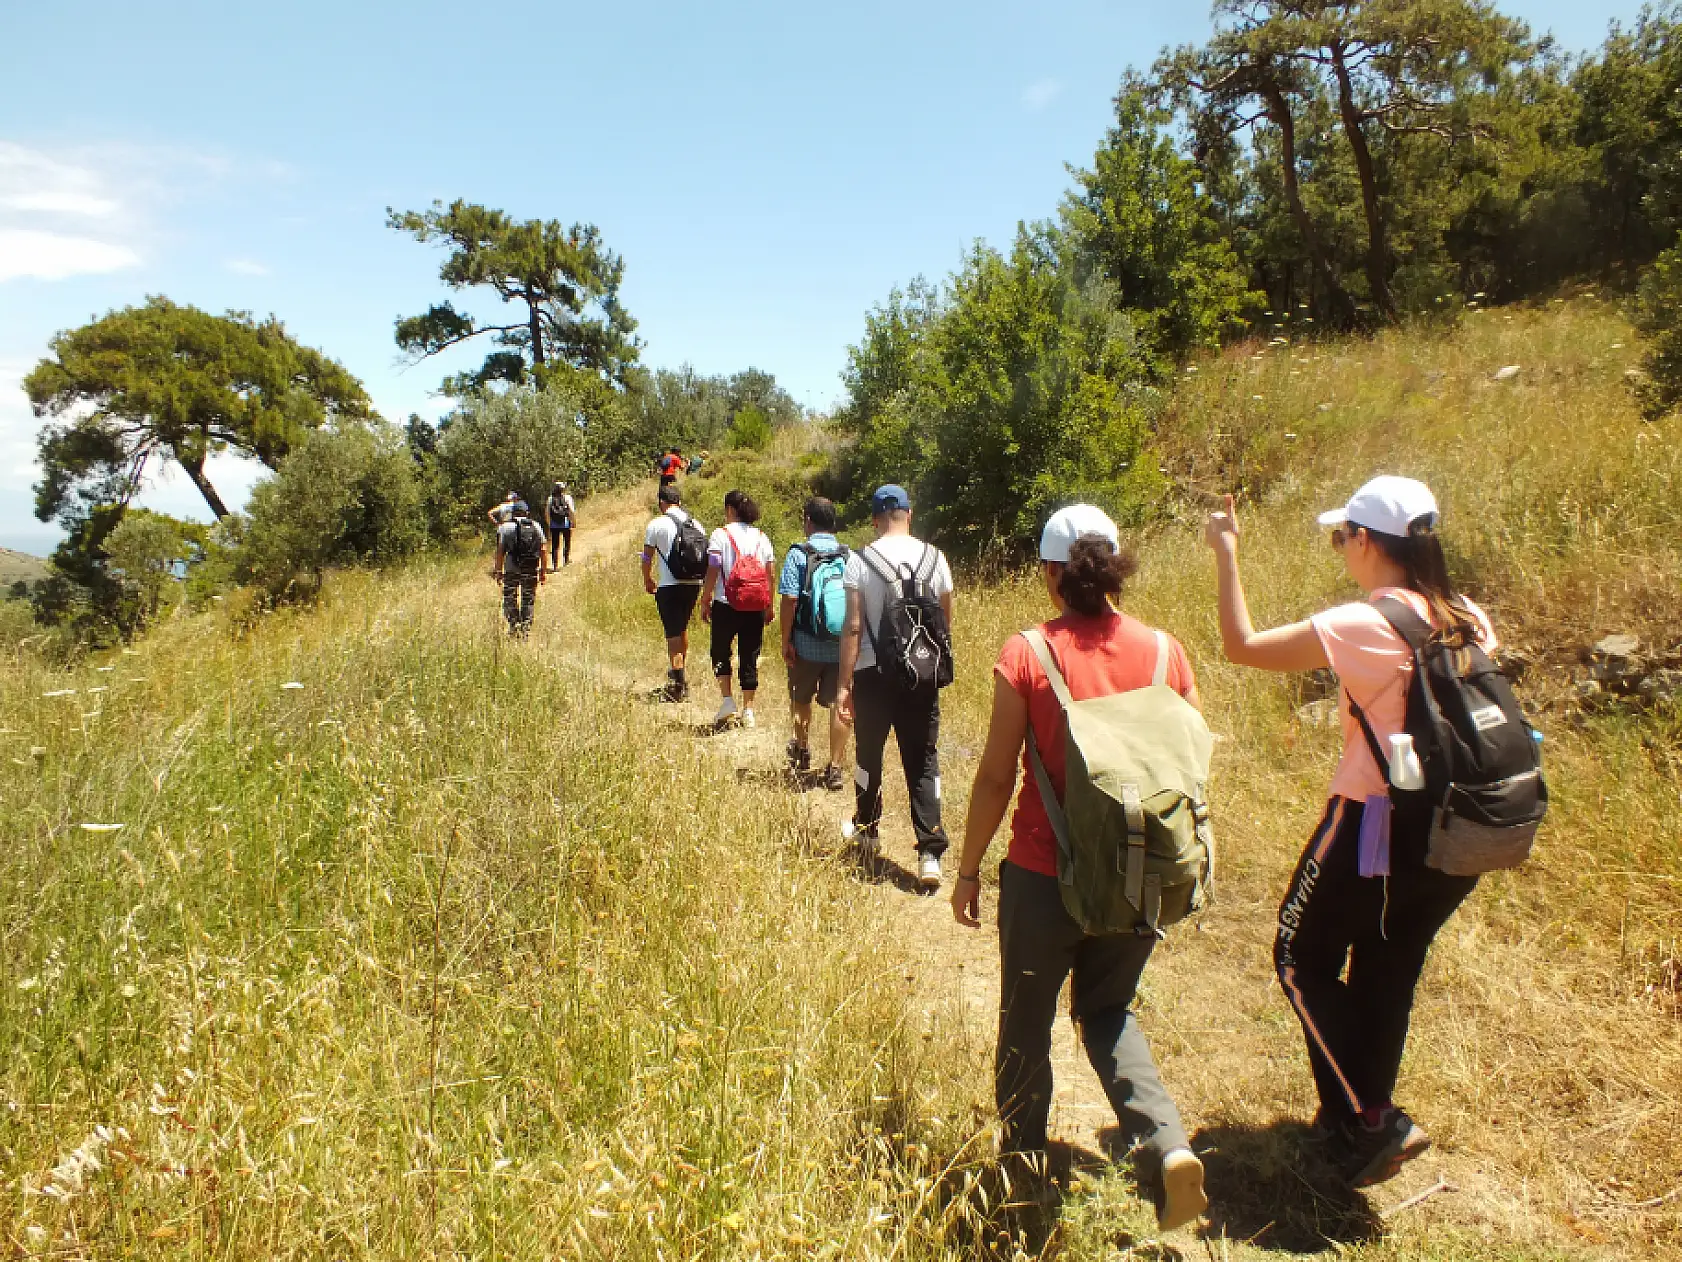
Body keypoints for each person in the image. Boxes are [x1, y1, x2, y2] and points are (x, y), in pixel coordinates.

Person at [1204, 475, 1497, 1188]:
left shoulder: (1366, 623)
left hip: (1371, 820)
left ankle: (1372, 1120)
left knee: (1298, 957)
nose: (1341, 549)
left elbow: (1241, 646)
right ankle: (1348, 1124)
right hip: (1456, 832)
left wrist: (1226, 552)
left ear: (1367, 542)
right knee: (1387, 971)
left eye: (1342, 537)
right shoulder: (1470, 618)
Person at [949, 505, 1207, 1230]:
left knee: (1024, 1023)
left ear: (1051, 573)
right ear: (1115, 566)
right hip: (1138, 876)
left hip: (1042, 874)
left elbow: (997, 776)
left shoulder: (1028, 653)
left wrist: (968, 869)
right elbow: (1185, 766)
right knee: (1106, 1010)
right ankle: (1165, 1145)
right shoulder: (1166, 653)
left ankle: (1024, 1177)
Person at [835, 484, 953, 890]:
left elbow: (852, 626)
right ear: (910, 512)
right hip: (921, 675)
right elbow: (944, 625)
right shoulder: (936, 558)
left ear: (874, 518)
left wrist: (842, 685)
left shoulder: (859, 561)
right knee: (922, 760)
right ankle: (930, 852)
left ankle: (867, 830)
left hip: (872, 675)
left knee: (868, 756)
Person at [779, 496, 851, 791]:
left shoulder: (798, 554)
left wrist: (786, 640)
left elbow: (790, 599)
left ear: (808, 519)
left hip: (806, 643)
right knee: (840, 704)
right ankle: (835, 767)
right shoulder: (849, 555)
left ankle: (802, 750)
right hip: (842, 646)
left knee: (801, 697)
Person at [700, 490, 776, 729]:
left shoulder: (720, 534)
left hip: (726, 603)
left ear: (730, 510)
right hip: (754, 604)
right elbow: (770, 572)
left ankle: (727, 700)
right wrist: (769, 604)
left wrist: (705, 597)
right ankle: (749, 710)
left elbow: (713, 566)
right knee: (750, 654)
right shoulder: (762, 537)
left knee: (720, 651)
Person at [642, 483, 706, 701]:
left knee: (672, 634)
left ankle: (678, 684)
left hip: (670, 585)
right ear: (679, 501)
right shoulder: (696, 523)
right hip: (694, 584)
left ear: (662, 503)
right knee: (682, 628)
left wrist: (647, 578)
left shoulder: (656, 524)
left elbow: (646, 556)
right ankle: (680, 672)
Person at [491, 499, 548, 637]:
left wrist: (498, 571)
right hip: (530, 568)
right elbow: (543, 549)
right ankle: (525, 630)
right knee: (528, 599)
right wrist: (543, 571)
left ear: (513, 513)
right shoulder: (536, 526)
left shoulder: (504, 528)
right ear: (526, 513)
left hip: (511, 569)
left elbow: (500, 552)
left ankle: (514, 625)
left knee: (510, 597)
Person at [545, 481, 577, 568]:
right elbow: (571, 511)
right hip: (565, 523)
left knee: (555, 545)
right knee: (567, 542)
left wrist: (549, 524)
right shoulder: (567, 498)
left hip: (554, 525)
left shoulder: (550, 498)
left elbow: (547, 513)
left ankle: (555, 565)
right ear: (563, 489)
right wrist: (573, 521)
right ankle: (566, 561)